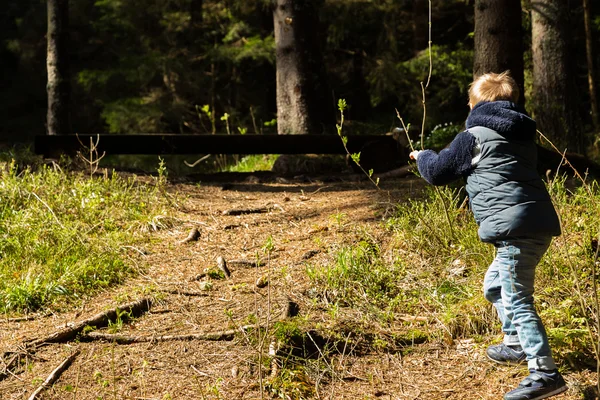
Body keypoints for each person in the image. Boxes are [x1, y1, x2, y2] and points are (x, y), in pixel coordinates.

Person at [409, 71, 567, 400]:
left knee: (517, 299)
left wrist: (423, 156)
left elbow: (439, 172)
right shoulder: (521, 135)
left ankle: (545, 373)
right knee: (495, 285)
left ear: (473, 104)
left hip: (515, 231)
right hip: (534, 224)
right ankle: (515, 344)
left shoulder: (474, 135)